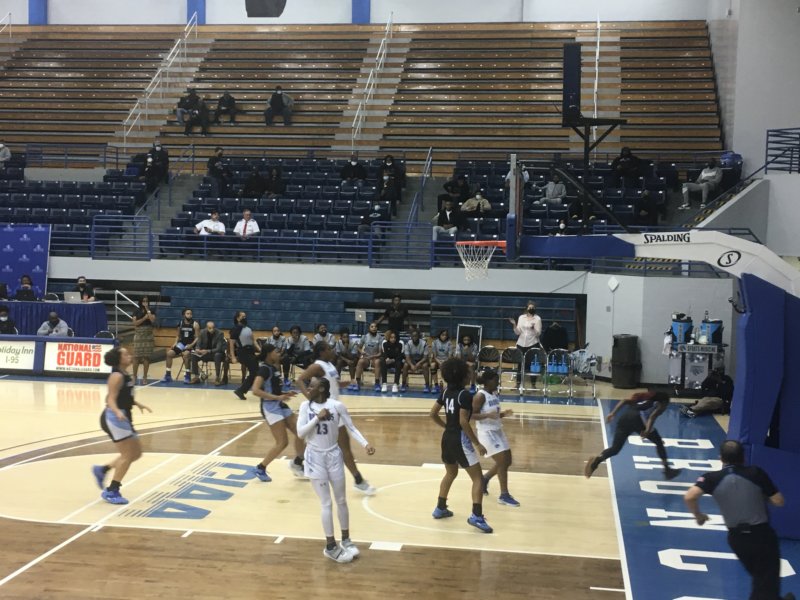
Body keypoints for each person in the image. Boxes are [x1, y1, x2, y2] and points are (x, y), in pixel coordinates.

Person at [684, 440, 794, 600]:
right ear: (743, 457)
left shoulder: (711, 478)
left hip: (737, 540)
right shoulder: (756, 473)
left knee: (762, 580)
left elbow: (690, 496)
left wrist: (699, 516)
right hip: (761, 536)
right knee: (765, 582)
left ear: (721, 458)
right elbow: (778, 501)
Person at [297, 377, 376, 563]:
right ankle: (331, 546)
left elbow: (351, 427)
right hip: (315, 457)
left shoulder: (337, 406)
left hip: (333, 455)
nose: (308, 389)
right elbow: (301, 433)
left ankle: (346, 540)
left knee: (341, 500)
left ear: (321, 389)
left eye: (312, 386)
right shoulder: (305, 407)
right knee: (326, 503)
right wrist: (317, 418)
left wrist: (365, 444)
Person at [296, 341, 377, 495]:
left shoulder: (330, 365)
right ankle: (358, 480)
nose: (332, 350)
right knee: (341, 447)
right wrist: (310, 398)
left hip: (333, 410)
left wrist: (343, 383)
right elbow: (299, 380)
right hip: (326, 411)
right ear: (321, 352)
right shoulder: (317, 366)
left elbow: (332, 384)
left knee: (326, 444)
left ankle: (297, 461)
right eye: (329, 348)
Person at [429, 357, 493, 533]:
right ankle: (476, 516)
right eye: (469, 372)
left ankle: (440, 507)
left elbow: (432, 414)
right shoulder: (464, 395)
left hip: (447, 438)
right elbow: (463, 421)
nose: (471, 374)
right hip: (460, 439)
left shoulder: (445, 392)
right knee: (478, 478)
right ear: (463, 376)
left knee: (451, 472)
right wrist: (477, 443)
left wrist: (446, 427)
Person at [92, 347, 152, 505]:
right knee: (127, 455)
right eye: (125, 354)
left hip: (124, 416)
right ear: (119, 359)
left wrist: (136, 403)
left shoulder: (126, 374)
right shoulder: (116, 376)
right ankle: (112, 490)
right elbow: (110, 399)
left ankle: (102, 469)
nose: (129, 355)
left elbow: (124, 395)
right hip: (115, 418)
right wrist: (117, 411)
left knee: (136, 454)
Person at [585, 391, 682, 480]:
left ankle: (596, 461)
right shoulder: (660, 405)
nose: (666, 407)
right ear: (663, 402)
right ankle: (667, 471)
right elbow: (652, 418)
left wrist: (612, 413)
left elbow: (624, 401)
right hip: (637, 420)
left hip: (625, 417)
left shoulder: (644, 398)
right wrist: (647, 431)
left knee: (615, 448)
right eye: (666, 404)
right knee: (659, 442)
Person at [251, 343, 306, 481]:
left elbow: (273, 389)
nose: (278, 354)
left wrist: (284, 393)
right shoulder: (264, 369)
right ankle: (261, 467)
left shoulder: (274, 368)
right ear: (269, 354)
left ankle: (297, 463)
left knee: (301, 432)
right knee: (282, 442)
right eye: (276, 352)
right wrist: (277, 397)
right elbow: (255, 390)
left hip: (280, 404)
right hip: (270, 407)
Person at [473, 369, 519, 507]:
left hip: (497, 430)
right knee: (502, 462)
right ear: (487, 381)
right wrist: (487, 415)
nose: (498, 382)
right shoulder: (480, 396)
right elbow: (471, 415)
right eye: (495, 380)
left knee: (507, 461)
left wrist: (503, 414)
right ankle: (504, 495)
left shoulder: (493, 394)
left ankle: (485, 479)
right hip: (487, 433)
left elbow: (494, 414)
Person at [162, 308, 200, 383]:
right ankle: (168, 375)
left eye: (190, 314)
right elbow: (178, 335)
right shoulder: (181, 323)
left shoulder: (195, 324)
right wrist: (175, 343)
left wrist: (191, 345)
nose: (189, 315)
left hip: (191, 344)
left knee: (186, 354)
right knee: (169, 354)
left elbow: (197, 338)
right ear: (183, 315)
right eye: (188, 313)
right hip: (182, 344)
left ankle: (188, 375)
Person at [508, 301, 542, 382]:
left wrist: (533, 329)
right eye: (530, 307)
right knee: (520, 364)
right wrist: (514, 324)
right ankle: (518, 383)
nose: (531, 309)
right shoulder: (521, 317)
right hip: (521, 343)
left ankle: (533, 384)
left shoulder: (537, 319)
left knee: (532, 364)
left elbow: (538, 334)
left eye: (533, 308)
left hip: (533, 343)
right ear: (526, 308)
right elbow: (518, 332)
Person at [230, 311, 261, 400]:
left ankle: (241, 390)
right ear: (238, 318)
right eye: (242, 316)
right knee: (255, 372)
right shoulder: (235, 329)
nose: (245, 318)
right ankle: (243, 390)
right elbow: (231, 344)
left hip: (251, 351)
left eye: (245, 316)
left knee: (255, 372)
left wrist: (260, 350)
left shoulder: (248, 329)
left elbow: (253, 341)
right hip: (243, 352)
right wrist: (233, 357)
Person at [348, 321, 382, 393]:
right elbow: (358, 347)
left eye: (375, 327)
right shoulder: (365, 337)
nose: (374, 328)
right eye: (372, 327)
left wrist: (373, 356)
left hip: (375, 358)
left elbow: (380, 353)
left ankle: (377, 383)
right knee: (360, 361)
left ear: (377, 328)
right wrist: (361, 351)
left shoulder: (380, 337)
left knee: (377, 362)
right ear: (369, 328)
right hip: (366, 358)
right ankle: (357, 382)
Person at [189, 321, 226, 385]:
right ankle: (196, 377)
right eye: (210, 328)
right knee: (193, 355)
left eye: (213, 328)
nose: (212, 329)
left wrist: (207, 351)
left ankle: (217, 377)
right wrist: (197, 349)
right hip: (204, 353)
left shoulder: (220, 333)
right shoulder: (202, 332)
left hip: (215, 353)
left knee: (217, 355)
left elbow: (219, 348)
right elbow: (198, 344)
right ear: (206, 328)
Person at [131, 296, 156, 385]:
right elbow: (135, 323)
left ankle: (145, 377)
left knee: (146, 357)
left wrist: (148, 310)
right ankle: (134, 376)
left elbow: (152, 320)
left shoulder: (151, 310)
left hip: (148, 336)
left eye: (147, 301)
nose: (145, 302)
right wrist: (144, 318)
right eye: (144, 301)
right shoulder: (136, 311)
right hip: (139, 335)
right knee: (136, 357)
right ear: (140, 302)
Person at [402, 328, 430, 392]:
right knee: (405, 365)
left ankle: (427, 385)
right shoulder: (408, 344)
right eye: (413, 336)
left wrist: (419, 363)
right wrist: (411, 365)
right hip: (411, 361)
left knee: (425, 366)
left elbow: (425, 357)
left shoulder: (424, 344)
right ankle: (403, 384)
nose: (414, 337)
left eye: (416, 336)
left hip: (422, 361)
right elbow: (407, 357)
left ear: (419, 336)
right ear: (411, 337)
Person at [430, 329, 453, 394]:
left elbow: (450, 356)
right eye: (443, 335)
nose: (444, 336)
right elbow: (434, 356)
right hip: (437, 360)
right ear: (439, 335)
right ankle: (436, 386)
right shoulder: (434, 342)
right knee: (432, 365)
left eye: (446, 335)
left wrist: (444, 362)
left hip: (447, 361)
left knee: (450, 366)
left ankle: (449, 386)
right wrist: (440, 362)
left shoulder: (449, 343)